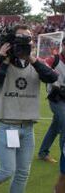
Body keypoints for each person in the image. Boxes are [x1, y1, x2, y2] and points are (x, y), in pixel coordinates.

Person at [0, 24, 58, 193]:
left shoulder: (36, 64)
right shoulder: (0, 63)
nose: (23, 42)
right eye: (19, 38)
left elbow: (51, 77)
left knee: (22, 173)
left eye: (27, 38)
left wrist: (31, 59)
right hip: (5, 124)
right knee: (7, 170)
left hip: (27, 127)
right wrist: (5, 59)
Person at [36, 37, 65, 192]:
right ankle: (63, 162)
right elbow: (43, 65)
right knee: (64, 124)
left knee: (55, 126)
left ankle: (43, 152)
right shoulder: (54, 59)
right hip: (56, 98)